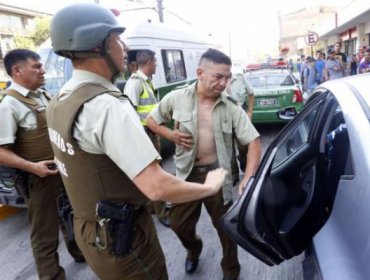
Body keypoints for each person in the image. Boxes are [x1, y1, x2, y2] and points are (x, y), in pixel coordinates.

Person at [47, 4, 227, 280]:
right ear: (101, 46)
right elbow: (157, 187)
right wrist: (210, 186)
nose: (125, 46)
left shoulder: (60, 100)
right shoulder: (106, 106)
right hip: (124, 239)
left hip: (90, 231)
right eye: (118, 40)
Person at [146, 48, 261, 280]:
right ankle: (193, 248)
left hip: (218, 176)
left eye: (227, 77)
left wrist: (248, 177)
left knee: (226, 229)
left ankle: (231, 269)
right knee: (179, 224)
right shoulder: (176, 98)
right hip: (186, 176)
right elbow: (151, 120)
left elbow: (254, 141)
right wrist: (171, 135)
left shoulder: (230, 105)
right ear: (200, 72)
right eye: (218, 76)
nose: (224, 82)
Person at [0, 49, 84, 280]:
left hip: (60, 172)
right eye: (36, 66)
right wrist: (33, 167)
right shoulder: (9, 105)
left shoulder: (42, 95)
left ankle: (78, 251)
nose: (43, 70)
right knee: (44, 234)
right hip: (37, 179)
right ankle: (52, 276)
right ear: (17, 71)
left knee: (68, 214)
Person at [124, 49, 171, 227]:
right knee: (154, 173)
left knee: (154, 169)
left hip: (151, 133)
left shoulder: (145, 82)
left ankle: (153, 206)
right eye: (156, 63)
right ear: (149, 62)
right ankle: (162, 212)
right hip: (144, 134)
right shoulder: (135, 83)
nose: (157, 66)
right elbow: (129, 113)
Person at [226, 73, 255, 185]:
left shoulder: (240, 78)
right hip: (224, 117)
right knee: (228, 149)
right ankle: (234, 174)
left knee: (243, 146)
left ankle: (243, 162)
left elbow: (251, 93)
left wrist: (250, 111)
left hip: (240, 115)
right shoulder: (217, 80)